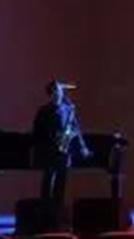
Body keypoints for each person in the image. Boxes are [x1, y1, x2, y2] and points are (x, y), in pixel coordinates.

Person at [32, 80, 91, 209]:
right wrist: (49, 139)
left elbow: (76, 128)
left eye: (60, 91)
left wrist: (82, 146)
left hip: (64, 149)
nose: (59, 93)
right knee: (48, 177)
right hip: (49, 149)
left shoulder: (68, 109)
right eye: (56, 91)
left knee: (62, 179)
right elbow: (36, 131)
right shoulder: (43, 111)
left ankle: (58, 206)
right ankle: (45, 206)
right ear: (51, 93)